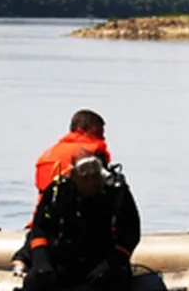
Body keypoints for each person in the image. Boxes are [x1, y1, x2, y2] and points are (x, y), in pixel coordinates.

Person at [14, 151, 141, 291]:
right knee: (34, 285)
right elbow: (40, 228)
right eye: (85, 177)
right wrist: (41, 261)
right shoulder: (58, 192)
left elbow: (130, 232)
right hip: (65, 257)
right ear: (74, 176)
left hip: (101, 259)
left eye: (94, 176)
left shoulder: (116, 192)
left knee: (121, 285)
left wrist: (111, 263)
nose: (91, 182)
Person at [12, 108, 113, 273]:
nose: (103, 138)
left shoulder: (49, 153)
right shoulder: (91, 154)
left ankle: (21, 260)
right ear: (84, 129)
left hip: (44, 218)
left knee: (39, 235)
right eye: (100, 133)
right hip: (76, 221)